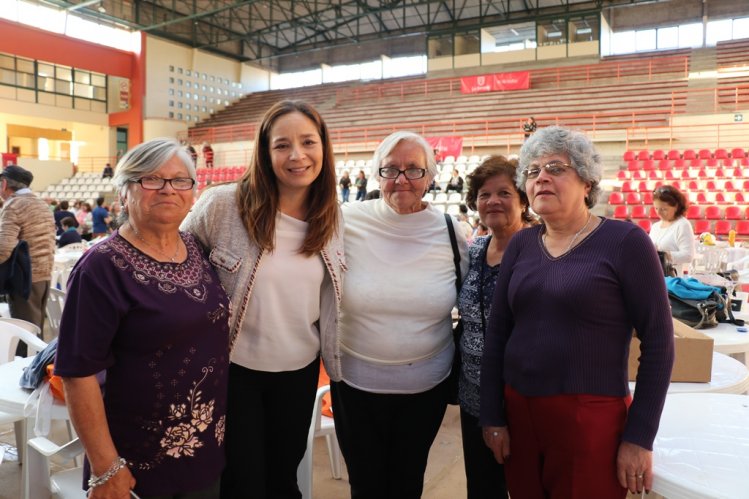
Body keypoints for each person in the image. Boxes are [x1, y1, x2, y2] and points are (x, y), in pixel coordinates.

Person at [480, 126, 674, 498]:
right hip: (519, 414)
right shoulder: (522, 243)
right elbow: (499, 333)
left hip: (590, 418)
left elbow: (660, 343)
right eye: (532, 171)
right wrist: (493, 416)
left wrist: (639, 436)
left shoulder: (626, 243)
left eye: (556, 167)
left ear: (587, 181)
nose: (542, 178)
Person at [181, 100, 344, 499]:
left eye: (308, 142)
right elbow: (175, 260)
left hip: (299, 371)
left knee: (283, 476)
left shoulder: (333, 218)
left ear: (323, 147)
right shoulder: (223, 206)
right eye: (282, 145)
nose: (297, 155)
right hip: (235, 372)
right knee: (243, 481)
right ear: (264, 153)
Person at [55, 138, 231, 499]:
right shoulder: (101, 267)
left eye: (180, 180)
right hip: (134, 465)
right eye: (151, 179)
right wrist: (107, 468)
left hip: (204, 454)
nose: (168, 189)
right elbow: (77, 372)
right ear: (125, 193)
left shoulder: (197, 248)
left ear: (193, 192)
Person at [331, 131, 468, 499]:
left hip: (426, 388)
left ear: (431, 175)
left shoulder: (450, 231)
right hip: (355, 387)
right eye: (390, 169)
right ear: (377, 174)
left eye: (413, 169)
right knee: (365, 484)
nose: (401, 179)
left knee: (408, 482)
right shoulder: (345, 220)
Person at [458, 156, 537, 499]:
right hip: (474, 396)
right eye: (483, 194)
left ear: (522, 200)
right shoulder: (473, 250)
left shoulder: (540, 249)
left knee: (526, 486)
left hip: (523, 398)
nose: (492, 201)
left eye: (504, 192)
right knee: (482, 488)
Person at [0, 165, 55, 347]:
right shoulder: (41, 204)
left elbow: (3, 248)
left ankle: (26, 373)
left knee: (24, 339)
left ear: (4, 183)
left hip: (24, 278)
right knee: (35, 332)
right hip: (44, 276)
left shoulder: (13, 205)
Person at [649, 184, 695, 272]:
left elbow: (688, 255)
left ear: (676, 207)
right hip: (654, 273)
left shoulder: (682, 225)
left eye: (664, 209)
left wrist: (663, 255)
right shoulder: (655, 226)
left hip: (673, 277)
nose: (658, 213)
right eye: (656, 208)